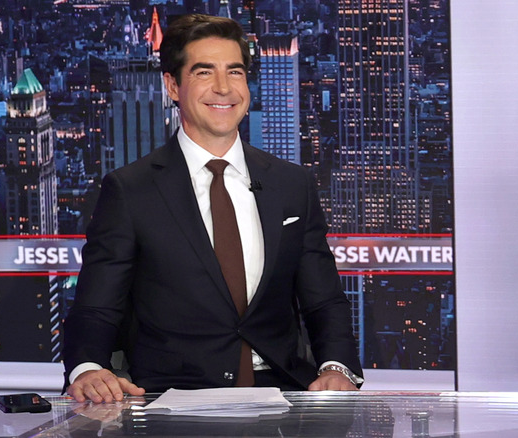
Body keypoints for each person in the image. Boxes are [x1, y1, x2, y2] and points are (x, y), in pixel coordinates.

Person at [63, 14, 363, 403]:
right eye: (205, 72)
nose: (224, 88)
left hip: (282, 396)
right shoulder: (130, 190)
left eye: (234, 72)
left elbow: (324, 301)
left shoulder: (292, 184)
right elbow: (96, 308)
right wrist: (88, 369)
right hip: (172, 401)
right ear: (172, 85)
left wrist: (337, 368)